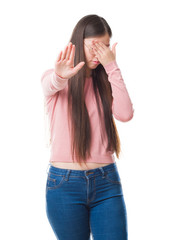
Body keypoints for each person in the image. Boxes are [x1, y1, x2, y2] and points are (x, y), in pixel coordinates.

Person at [41, 14, 133, 240]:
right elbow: (51, 84)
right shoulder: (55, 80)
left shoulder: (106, 81)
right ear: (78, 43)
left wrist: (112, 66)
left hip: (106, 183)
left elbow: (125, 113)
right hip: (64, 185)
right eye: (94, 47)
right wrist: (61, 76)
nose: (99, 53)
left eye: (105, 47)